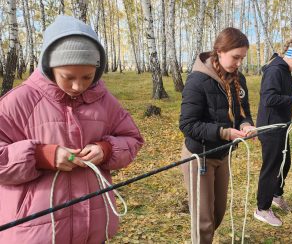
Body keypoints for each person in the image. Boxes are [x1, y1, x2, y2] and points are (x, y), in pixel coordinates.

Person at [0, 15, 144, 243]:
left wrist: (105, 149)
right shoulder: (19, 102)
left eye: (87, 77)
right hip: (35, 232)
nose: (78, 86)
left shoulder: (104, 100)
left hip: (92, 229)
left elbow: (132, 139)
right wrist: (40, 156)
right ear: (50, 67)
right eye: (68, 77)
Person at [179, 27, 255, 243]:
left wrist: (247, 125)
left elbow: (243, 112)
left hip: (223, 154)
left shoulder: (238, 79)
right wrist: (224, 132)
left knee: (218, 212)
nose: (239, 63)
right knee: (203, 220)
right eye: (235, 57)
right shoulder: (197, 80)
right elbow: (187, 124)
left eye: (242, 58)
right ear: (220, 51)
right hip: (199, 156)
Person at [254, 39, 292, 227]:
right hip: (270, 128)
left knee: (285, 163)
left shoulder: (284, 70)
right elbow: (269, 98)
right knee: (271, 168)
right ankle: (262, 209)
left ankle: (276, 195)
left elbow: (282, 90)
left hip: (281, 125)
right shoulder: (275, 70)